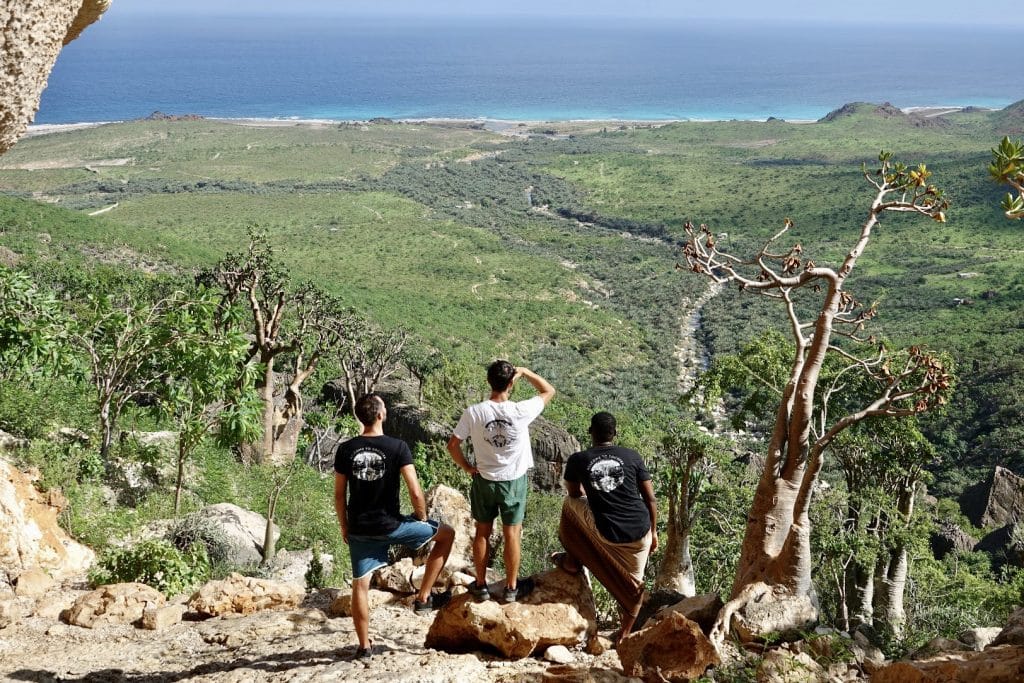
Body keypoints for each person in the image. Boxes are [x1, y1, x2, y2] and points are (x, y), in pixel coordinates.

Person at [335, 393, 455, 658]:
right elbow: (414, 491)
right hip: (393, 526)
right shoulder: (398, 447)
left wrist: (345, 526)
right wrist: (422, 516)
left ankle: (364, 647)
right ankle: (424, 598)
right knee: (446, 535)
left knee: (360, 585)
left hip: (359, 528)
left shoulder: (345, 449)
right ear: (380, 415)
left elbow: (339, 495)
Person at [446, 360, 555, 603]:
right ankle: (511, 587)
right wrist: (525, 373)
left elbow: (453, 445)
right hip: (513, 482)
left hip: (484, 479)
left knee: (482, 532)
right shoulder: (520, 411)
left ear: (488, 381)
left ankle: (481, 585)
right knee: (512, 534)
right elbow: (549, 391)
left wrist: (467, 467)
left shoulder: (474, 412)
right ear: (510, 384)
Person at [554, 411, 658, 646]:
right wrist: (654, 532)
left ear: (591, 432)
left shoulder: (579, 459)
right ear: (615, 433)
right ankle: (625, 634)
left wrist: (598, 497)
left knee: (570, 506)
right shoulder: (632, 456)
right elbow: (650, 499)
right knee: (633, 587)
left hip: (607, 532)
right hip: (640, 532)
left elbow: (574, 494)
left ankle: (572, 560)